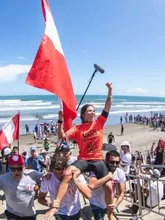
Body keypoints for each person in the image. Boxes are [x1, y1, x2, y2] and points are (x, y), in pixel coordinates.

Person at [44, 82, 114, 220]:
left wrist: (110, 90)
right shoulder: (77, 128)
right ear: (83, 114)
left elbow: (107, 106)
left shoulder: (99, 122)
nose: (93, 112)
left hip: (98, 159)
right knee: (67, 173)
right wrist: (60, 121)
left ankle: (110, 213)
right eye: (89, 110)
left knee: (109, 187)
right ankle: (56, 205)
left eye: (94, 110)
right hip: (83, 159)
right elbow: (62, 137)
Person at [0, 154, 43, 220]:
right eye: (13, 169)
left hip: (29, 215)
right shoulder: (3, 179)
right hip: (13, 214)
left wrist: (47, 176)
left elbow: (47, 177)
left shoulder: (33, 174)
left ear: (24, 166)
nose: (16, 172)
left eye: (19, 168)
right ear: (9, 167)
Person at [38, 152, 90, 220]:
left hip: (75, 211)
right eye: (55, 173)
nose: (58, 176)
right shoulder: (48, 179)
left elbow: (88, 195)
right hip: (59, 212)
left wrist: (75, 180)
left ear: (66, 168)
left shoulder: (77, 175)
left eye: (61, 173)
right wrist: (50, 204)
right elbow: (40, 198)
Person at [80, 150, 126, 220]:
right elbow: (92, 185)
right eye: (111, 162)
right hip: (96, 202)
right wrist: (107, 177)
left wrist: (115, 205)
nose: (114, 165)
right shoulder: (98, 170)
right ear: (106, 161)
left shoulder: (120, 173)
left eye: (117, 162)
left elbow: (122, 192)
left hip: (109, 202)